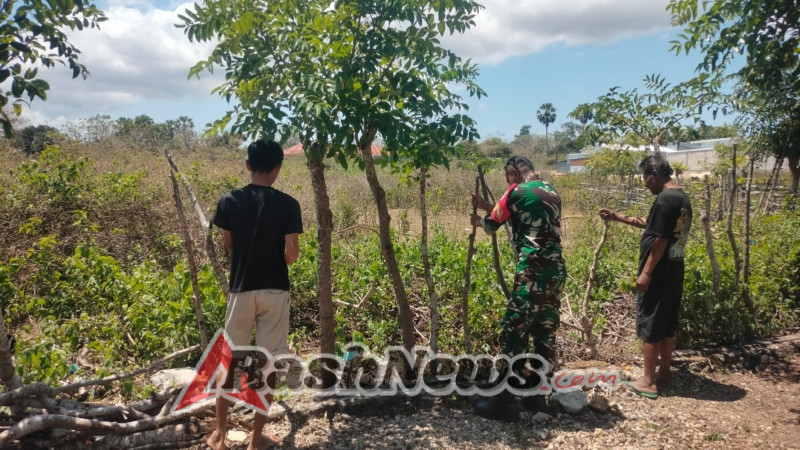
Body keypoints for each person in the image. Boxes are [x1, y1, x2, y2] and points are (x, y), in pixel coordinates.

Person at [206, 139, 302, 450]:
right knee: (268, 363)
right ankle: (255, 439)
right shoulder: (289, 204)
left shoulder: (229, 200)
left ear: (247, 165)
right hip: (275, 290)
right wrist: (280, 261)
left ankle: (219, 435)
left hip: (241, 289)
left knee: (229, 360)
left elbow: (229, 244)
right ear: (278, 169)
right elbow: (293, 253)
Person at [469, 156, 567, 422]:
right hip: (555, 271)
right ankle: (536, 396)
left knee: (515, 330)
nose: (507, 181)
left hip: (532, 272)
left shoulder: (515, 189)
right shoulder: (549, 189)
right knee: (544, 333)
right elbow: (518, 214)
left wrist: (478, 220)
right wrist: (488, 206)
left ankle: (504, 401)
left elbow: (492, 225)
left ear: (513, 172)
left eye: (507, 176)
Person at [599, 154, 692, 400]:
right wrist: (618, 217)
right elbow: (654, 226)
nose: (645, 183)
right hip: (675, 268)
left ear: (655, 174)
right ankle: (664, 373)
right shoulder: (681, 197)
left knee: (650, 322)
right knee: (667, 323)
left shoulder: (663, 199)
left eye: (645, 178)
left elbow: (660, 239)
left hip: (659, 271)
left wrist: (646, 272)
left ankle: (648, 381)